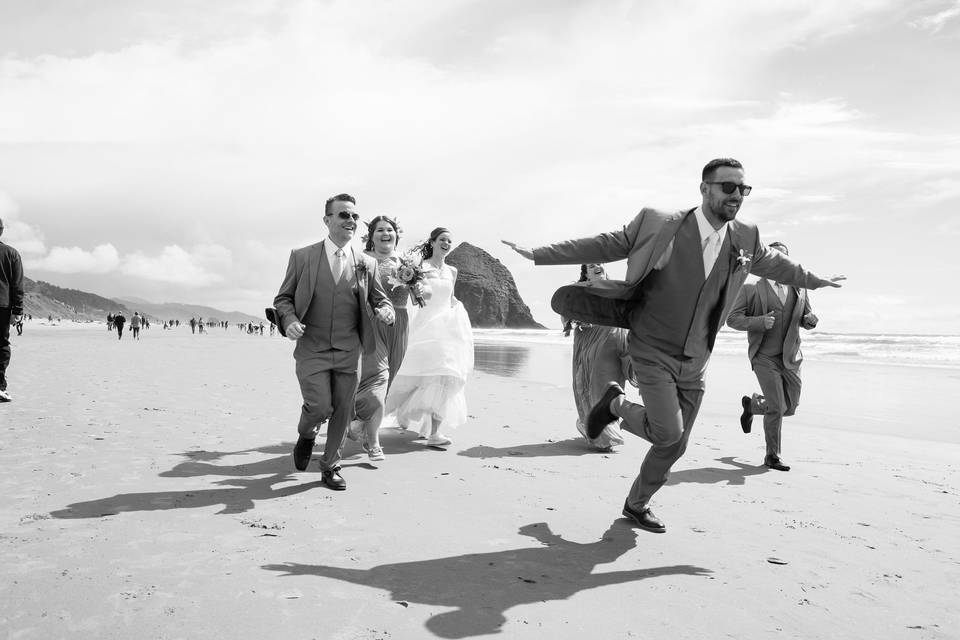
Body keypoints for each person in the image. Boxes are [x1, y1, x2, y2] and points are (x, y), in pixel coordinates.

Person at [503, 158, 845, 533]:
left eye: (743, 189)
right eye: (728, 187)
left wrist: (815, 281)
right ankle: (614, 403)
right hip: (651, 347)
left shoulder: (745, 236)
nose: (737, 196)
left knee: (676, 445)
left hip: (697, 357)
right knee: (667, 433)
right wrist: (540, 254)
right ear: (705, 189)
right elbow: (606, 244)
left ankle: (636, 503)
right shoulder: (659, 223)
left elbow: (775, 265)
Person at [273, 193, 395, 490]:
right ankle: (307, 433)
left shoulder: (366, 262)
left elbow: (380, 298)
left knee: (342, 409)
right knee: (319, 406)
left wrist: (386, 309)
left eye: (354, 216)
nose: (351, 221)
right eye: (343, 215)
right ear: (327, 220)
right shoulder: (302, 256)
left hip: (348, 349)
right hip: (311, 347)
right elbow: (283, 299)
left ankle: (331, 466)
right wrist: (289, 321)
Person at [726, 242, 818, 472]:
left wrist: (810, 321)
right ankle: (772, 456)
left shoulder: (800, 288)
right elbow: (732, 319)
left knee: (790, 407)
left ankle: (754, 406)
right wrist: (758, 322)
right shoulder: (750, 289)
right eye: (774, 258)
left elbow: (806, 317)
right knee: (777, 407)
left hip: (791, 358)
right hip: (764, 357)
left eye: (783, 259)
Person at [385, 227, 474, 448]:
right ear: (432, 242)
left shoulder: (452, 271)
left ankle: (435, 433)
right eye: (442, 240)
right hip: (426, 327)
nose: (446, 244)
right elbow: (417, 300)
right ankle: (381, 414)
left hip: (449, 329)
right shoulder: (419, 268)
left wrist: (457, 311)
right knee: (413, 375)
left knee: (446, 375)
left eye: (449, 241)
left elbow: (451, 297)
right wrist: (419, 291)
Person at [349, 216, 419, 461]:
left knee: (387, 382)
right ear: (371, 235)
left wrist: (418, 289)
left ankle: (359, 421)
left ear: (396, 234)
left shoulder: (406, 261)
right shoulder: (361, 259)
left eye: (389, 230)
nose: (385, 234)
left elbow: (418, 298)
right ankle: (374, 442)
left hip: (399, 324)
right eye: (380, 230)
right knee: (377, 378)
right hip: (370, 323)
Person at [564, 264, 635, 451]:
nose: (596, 264)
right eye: (590, 264)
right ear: (585, 274)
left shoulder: (616, 289)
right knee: (594, 383)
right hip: (591, 342)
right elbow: (566, 316)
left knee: (612, 383)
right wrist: (575, 319)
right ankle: (592, 427)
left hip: (614, 339)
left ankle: (603, 429)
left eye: (599, 262)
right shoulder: (579, 291)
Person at [0, 217, 24, 403]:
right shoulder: (11, 253)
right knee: (1, 344)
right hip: (3, 305)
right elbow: (17, 284)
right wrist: (18, 310)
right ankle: (0, 387)